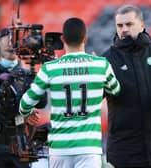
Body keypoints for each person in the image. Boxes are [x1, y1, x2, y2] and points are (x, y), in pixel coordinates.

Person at [19, 17, 120, 168]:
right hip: (89, 147)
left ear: (63, 38)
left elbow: (25, 103)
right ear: (85, 38)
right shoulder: (101, 65)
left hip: (60, 148)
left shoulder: (50, 68)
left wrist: (27, 113)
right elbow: (116, 90)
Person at [102, 4, 151, 168]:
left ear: (142, 25)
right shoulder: (107, 60)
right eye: (119, 25)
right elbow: (92, 98)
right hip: (125, 154)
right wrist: (92, 76)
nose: (124, 29)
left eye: (129, 24)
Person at [0, 28, 30, 168]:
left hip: (19, 141)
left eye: (14, 39)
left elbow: (40, 103)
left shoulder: (28, 75)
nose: (11, 43)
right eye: (7, 38)